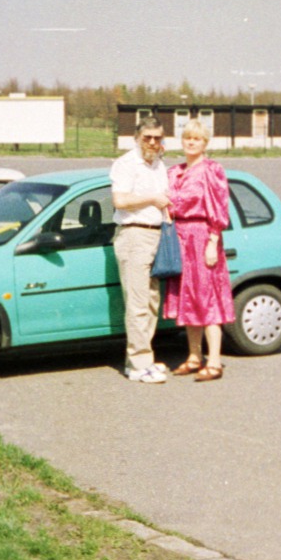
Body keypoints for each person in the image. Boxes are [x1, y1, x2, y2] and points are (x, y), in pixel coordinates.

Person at [163, 120, 235, 381]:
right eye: (187, 138)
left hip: (203, 237)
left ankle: (214, 361)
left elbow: (219, 208)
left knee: (208, 298)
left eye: (197, 139)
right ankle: (194, 356)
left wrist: (213, 242)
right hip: (179, 238)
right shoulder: (174, 172)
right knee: (188, 298)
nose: (191, 142)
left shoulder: (211, 170)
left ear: (205, 143)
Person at [110, 120, 171, 383]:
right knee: (136, 303)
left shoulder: (159, 165)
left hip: (156, 234)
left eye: (157, 138)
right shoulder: (125, 164)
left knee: (151, 301)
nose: (153, 143)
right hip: (134, 234)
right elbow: (120, 200)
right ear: (136, 138)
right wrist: (151, 200)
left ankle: (137, 360)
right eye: (147, 138)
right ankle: (140, 363)